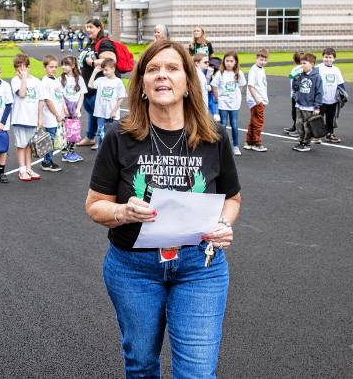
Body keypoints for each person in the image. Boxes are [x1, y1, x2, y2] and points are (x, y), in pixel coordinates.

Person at [85, 39, 241, 378]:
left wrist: (223, 225)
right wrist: (124, 212)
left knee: (197, 373)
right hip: (133, 269)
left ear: (188, 82)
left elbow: (232, 197)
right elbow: (96, 205)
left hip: (199, 266)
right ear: (141, 84)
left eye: (172, 68)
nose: (162, 76)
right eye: (152, 70)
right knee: (141, 365)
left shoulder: (214, 135)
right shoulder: (119, 136)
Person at [78, 18, 118, 148]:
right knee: (92, 113)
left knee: (101, 116)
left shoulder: (104, 43)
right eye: (87, 27)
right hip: (88, 87)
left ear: (99, 28)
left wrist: (93, 62)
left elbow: (111, 59)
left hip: (99, 88)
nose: (88, 30)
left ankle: (103, 143)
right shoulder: (90, 43)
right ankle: (90, 137)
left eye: (91, 27)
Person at [10, 53, 44, 181]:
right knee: (21, 145)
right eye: (17, 68)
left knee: (29, 145)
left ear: (28, 67)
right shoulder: (15, 80)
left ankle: (29, 168)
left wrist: (40, 118)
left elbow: (40, 101)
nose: (20, 71)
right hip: (20, 119)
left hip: (32, 119)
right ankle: (22, 170)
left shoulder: (37, 81)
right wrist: (23, 78)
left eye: (23, 68)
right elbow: (22, 94)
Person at [211, 52, 246, 156]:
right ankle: (222, 147)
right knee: (223, 125)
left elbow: (241, 85)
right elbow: (214, 85)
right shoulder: (220, 73)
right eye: (227, 61)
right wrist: (217, 98)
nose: (229, 63)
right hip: (223, 103)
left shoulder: (238, 73)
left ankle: (235, 146)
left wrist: (237, 95)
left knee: (234, 124)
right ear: (224, 61)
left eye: (231, 61)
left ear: (235, 62)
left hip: (234, 103)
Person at [92, 58, 127, 148]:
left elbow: (121, 97)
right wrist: (95, 72)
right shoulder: (100, 80)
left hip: (113, 114)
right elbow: (90, 85)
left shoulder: (118, 82)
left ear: (113, 69)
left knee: (112, 135)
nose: (104, 72)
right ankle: (100, 155)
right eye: (103, 70)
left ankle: (111, 156)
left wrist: (114, 110)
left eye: (106, 70)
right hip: (101, 113)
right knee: (101, 135)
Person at [39, 55, 65, 173]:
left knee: (54, 139)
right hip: (50, 116)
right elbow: (48, 101)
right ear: (45, 67)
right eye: (51, 67)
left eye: (55, 67)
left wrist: (62, 112)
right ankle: (46, 162)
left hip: (57, 115)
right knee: (50, 139)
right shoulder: (45, 82)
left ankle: (49, 160)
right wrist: (57, 114)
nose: (54, 69)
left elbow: (60, 98)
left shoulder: (56, 80)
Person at [292, 53, 323, 152]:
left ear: (312, 64)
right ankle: (301, 141)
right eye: (301, 63)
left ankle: (306, 143)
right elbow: (295, 88)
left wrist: (317, 106)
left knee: (307, 126)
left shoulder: (316, 77)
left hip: (309, 106)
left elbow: (319, 92)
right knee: (299, 124)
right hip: (300, 105)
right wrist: (295, 79)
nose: (302, 65)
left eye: (304, 63)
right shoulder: (300, 75)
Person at [59, 55, 86, 163]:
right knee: (65, 131)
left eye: (66, 65)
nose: (63, 67)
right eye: (63, 64)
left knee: (74, 131)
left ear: (73, 65)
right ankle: (65, 153)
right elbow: (60, 95)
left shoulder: (79, 79)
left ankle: (72, 152)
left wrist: (78, 108)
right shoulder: (61, 79)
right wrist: (64, 108)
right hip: (65, 106)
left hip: (75, 107)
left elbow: (81, 94)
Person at [318, 48, 346, 143]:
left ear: (334, 59)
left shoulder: (336, 70)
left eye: (330, 57)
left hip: (333, 99)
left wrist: (343, 94)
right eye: (326, 57)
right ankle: (317, 135)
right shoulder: (318, 68)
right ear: (322, 57)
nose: (328, 59)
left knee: (330, 118)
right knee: (318, 118)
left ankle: (330, 133)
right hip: (320, 99)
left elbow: (340, 83)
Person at [244, 49, 269, 153]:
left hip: (259, 99)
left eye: (264, 60)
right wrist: (257, 99)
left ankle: (249, 141)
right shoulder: (254, 70)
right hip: (256, 100)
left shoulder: (261, 69)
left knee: (253, 121)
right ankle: (256, 143)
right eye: (260, 59)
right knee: (259, 121)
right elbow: (250, 85)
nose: (262, 62)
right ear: (256, 59)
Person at [283, 51, 303, 137]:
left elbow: (291, 77)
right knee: (297, 112)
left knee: (296, 112)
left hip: (296, 94)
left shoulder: (295, 69)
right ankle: (295, 126)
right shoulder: (304, 68)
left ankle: (298, 129)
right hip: (299, 94)